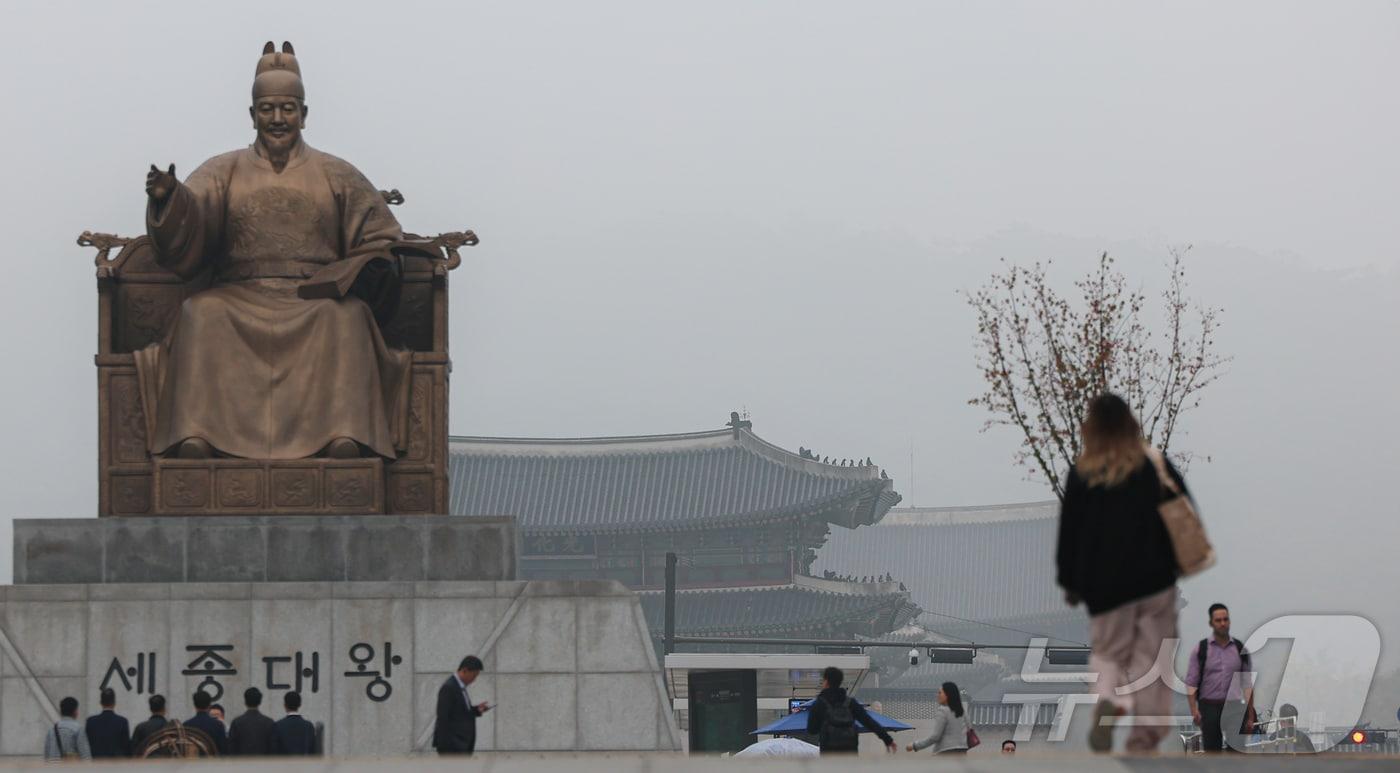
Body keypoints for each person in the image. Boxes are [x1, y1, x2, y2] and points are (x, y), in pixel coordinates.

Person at [136, 41, 414, 462]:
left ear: (304, 114)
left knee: (348, 317)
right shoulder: (222, 169)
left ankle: (343, 433)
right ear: (252, 115)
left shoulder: (337, 173)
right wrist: (168, 199)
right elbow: (192, 218)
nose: (278, 119)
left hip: (315, 297)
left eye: (288, 109)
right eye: (267, 109)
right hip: (239, 293)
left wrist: (366, 262)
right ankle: (197, 434)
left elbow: (380, 233)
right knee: (200, 313)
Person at [1056, 393, 1188, 753]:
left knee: (1109, 653)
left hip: (1105, 586)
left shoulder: (1083, 472)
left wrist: (1070, 582)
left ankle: (1107, 701)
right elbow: (1182, 509)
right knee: (1151, 659)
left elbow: (1071, 533)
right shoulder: (1154, 464)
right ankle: (1143, 737)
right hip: (1155, 580)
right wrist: (1177, 563)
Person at [1185, 603, 1257, 752]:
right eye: (1218, 620)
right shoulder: (1201, 649)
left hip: (1234, 706)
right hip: (1209, 706)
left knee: (1237, 751)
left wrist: (1250, 715)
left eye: (1225, 619)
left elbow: (1247, 684)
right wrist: (1194, 710)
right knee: (1212, 752)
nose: (1223, 623)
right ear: (1211, 623)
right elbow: (1191, 682)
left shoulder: (1239, 648)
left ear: (1229, 621)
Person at [805, 665, 896, 755]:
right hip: (849, 751)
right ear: (839, 682)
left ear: (826, 681)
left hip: (829, 753)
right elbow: (868, 721)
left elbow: (812, 730)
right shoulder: (850, 703)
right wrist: (887, 739)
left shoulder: (819, 704)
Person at [434, 655, 493, 755]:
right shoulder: (449, 688)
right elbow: (443, 718)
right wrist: (446, 747)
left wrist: (477, 710)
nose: (474, 679)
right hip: (452, 747)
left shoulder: (460, 687)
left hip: (462, 745)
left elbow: (461, 712)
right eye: (474, 675)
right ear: (465, 670)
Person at [906, 682, 969, 755]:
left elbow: (935, 737)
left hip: (946, 752)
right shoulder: (962, 711)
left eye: (940, 693)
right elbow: (969, 729)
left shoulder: (943, 711)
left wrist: (915, 745)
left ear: (947, 695)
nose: (938, 696)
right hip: (962, 752)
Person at [227, 687, 276, 756]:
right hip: (264, 764)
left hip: (242, 764)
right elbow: (273, 749)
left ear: (245, 701)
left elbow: (231, 749)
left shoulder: (237, 722)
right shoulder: (269, 722)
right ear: (260, 701)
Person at [84, 687, 132, 757]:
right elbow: (126, 748)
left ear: (100, 702)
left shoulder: (91, 721)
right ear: (114, 702)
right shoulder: (122, 722)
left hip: (96, 764)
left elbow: (87, 746)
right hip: (117, 764)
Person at [44, 696, 92, 761]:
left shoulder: (51, 730)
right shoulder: (78, 729)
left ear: (61, 711)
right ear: (75, 712)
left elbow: (46, 756)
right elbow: (86, 757)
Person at [270, 691, 318, 755]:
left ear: (285, 705)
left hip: (283, 764)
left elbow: (273, 751)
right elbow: (313, 751)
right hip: (303, 764)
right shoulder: (308, 726)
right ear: (300, 704)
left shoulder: (278, 726)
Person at [186, 690, 228, 754]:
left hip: (193, 762)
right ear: (209, 705)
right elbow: (224, 750)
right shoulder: (218, 725)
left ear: (195, 705)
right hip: (212, 762)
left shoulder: (187, 725)